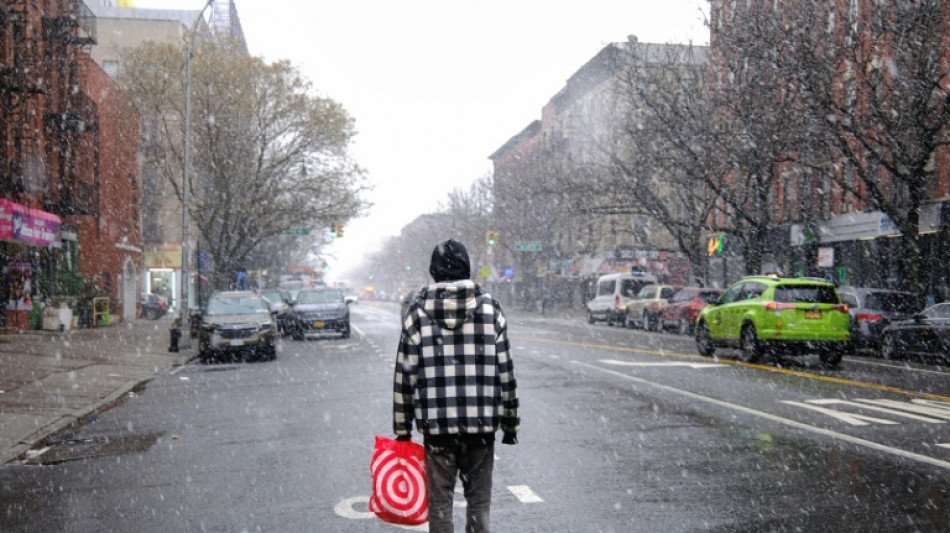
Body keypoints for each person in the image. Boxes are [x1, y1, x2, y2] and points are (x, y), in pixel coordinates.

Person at [393, 239, 519, 533]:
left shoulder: (416, 313)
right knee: (478, 505)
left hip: (437, 428)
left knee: (439, 506)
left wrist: (403, 428)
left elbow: (404, 377)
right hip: (481, 427)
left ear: (434, 272)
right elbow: (506, 373)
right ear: (467, 269)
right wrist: (510, 424)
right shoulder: (491, 310)